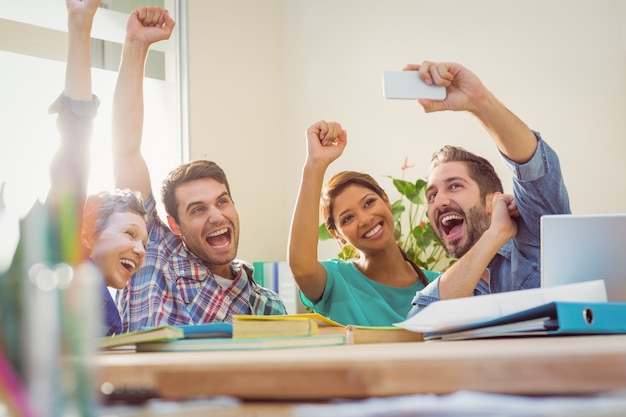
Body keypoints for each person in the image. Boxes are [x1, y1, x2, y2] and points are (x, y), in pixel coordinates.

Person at [112, 7, 286, 332]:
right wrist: (136, 45)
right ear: (174, 225)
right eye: (197, 209)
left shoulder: (267, 305)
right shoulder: (155, 251)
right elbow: (125, 148)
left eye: (222, 201)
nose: (216, 216)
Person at [406, 60, 570, 316]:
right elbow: (419, 319)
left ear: (492, 201)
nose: (439, 201)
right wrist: (495, 235)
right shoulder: (451, 287)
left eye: (455, 185)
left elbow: (532, 167)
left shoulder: (538, 239)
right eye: (432, 195)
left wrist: (478, 101)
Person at [47, 0, 148, 336]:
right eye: (130, 234)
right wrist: (80, 24)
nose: (140, 250)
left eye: (144, 243)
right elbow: (74, 152)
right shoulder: (66, 261)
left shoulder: (109, 313)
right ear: (87, 233)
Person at [287, 120, 441, 326]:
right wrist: (315, 164)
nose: (365, 219)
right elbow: (302, 269)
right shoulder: (336, 281)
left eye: (369, 203)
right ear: (337, 235)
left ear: (385, 199)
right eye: (348, 218)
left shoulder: (438, 284)